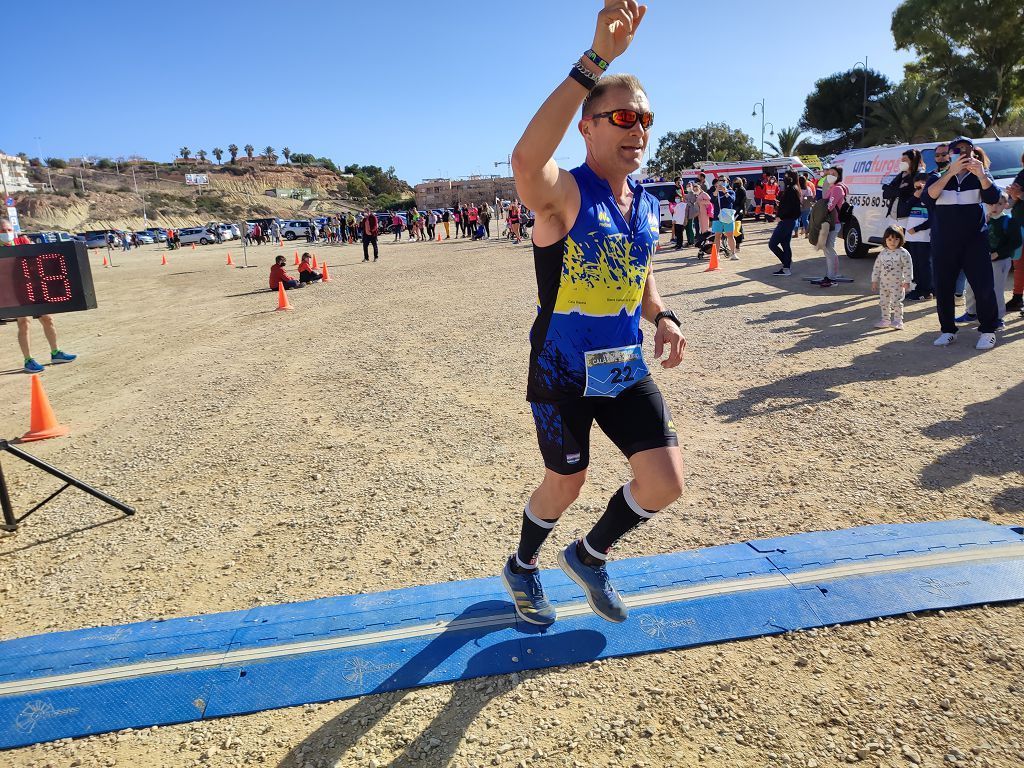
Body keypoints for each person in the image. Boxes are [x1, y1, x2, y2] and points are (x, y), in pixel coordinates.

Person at [502, 1, 686, 627]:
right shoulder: (564, 193)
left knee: (664, 483)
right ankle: (522, 568)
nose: (639, 130)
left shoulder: (647, 205)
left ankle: (589, 554)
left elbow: (638, 268)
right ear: (588, 126)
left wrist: (661, 315)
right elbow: (525, 161)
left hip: (623, 365)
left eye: (647, 119)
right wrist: (596, 61)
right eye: (624, 117)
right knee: (566, 484)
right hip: (561, 368)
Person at [927, 137, 1001, 350]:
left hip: (974, 243)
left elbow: (993, 198)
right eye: (957, 151)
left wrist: (981, 175)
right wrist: (950, 172)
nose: (963, 154)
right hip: (944, 243)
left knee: (983, 286)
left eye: (967, 151)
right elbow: (929, 196)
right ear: (950, 155)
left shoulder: (980, 176)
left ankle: (988, 331)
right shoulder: (936, 176)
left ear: (973, 154)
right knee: (943, 288)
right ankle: (948, 330)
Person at [1, 219, 78, 374]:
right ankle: (28, 360)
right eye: (3, 231)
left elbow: (36, 256)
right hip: (14, 291)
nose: (7, 233)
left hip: (33, 287)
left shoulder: (21, 240)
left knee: (47, 318)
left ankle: (56, 353)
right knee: (24, 323)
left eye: (9, 230)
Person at [959, 194, 1021, 329]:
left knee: (996, 290)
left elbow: (1016, 242)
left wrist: (998, 253)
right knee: (970, 286)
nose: (994, 207)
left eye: (999, 204)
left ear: (1005, 205)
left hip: (1000, 261)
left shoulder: (1009, 221)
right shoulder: (984, 219)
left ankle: (998, 318)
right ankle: (971, 313)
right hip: (980, 259)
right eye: (991, 204)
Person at [871, 225, 914, 330]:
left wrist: (908, 281)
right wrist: (874, 281)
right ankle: (885, 320)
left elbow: (908, 267)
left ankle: (898, 321)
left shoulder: (903, 253)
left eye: (896, 239)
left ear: (901, 240)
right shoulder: (883, 253)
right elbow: (877, 267)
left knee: (896, 302)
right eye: (890, 239)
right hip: (884, 283)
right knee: (884, 302)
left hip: (898, 283)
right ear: (885, 239)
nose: (892, 242)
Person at [814, 167, 850, 287]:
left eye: (833, 174)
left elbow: (829, 206)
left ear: (839, 175)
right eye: (829, 173)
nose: (830, 175)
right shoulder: (834, 187)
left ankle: (832, 278)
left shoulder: (837, 189)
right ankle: (829, 275)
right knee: (827, 249)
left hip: (834, 223)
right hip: (832, 222)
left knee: (829, 250)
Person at [904, 175, 934, 300]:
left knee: (925, 264)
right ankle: (919, 288)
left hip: (924, 238)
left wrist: (917, 229)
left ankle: (927, 290)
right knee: (915, 264)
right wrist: (916, 196)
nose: (920, 188)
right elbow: (904, 210)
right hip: (912, 238)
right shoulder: (913, 198)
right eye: (917, 186)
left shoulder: (931, 199)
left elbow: (932, 219)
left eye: (922, 186)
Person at [769, 171, 801, 276]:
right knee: (785, 244)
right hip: (789, 220)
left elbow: (790, 207)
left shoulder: (791, 190)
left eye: (786, 176)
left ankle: (786, 263)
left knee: (772, 244)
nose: (784, 178)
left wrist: (780, 216)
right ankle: (786, 267)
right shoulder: (793, 189)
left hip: (786, 221)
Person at [710, 177, 738, 259]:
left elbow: (731, 200)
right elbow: (712, 200)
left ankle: (733, 253)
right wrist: (717, 190)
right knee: (717, 236)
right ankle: (716, 254)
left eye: (723, 180)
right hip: (717, 217)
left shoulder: (731, 191)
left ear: (727, 182)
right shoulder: (715, 192)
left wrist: (725, 192)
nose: (721, 182)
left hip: (728, 217)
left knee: (730, 235)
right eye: (720, 180)